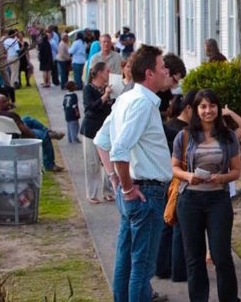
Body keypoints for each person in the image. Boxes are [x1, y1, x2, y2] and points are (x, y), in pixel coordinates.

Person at [93, 44, 173, 302]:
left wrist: (115, 179)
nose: (166, 71)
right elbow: (117, 149)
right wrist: (125, 187)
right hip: (144, 193)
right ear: (149, 73)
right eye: (162, 67)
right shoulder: (140, 103)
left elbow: (100, 141)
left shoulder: (126, 98)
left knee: (126, 262)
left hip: (136, 192)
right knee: (141, 268)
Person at [172, 89, 241, 302]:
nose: (208, 111)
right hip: (189, 201)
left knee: (221, 256)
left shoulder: (228, 136)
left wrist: (220, 179)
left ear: (218, 108)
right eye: (203, 106)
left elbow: (236, 171)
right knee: (194, 258)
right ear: (194, 110)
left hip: (218, 201)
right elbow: (174, 168)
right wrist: (188, 176)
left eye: (212, 106)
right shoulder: (184, 136)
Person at [156, 90, 197, 283]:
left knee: (167, 224)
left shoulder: (168, 126)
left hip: (166, 179)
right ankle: (177, 270)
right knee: (179, 227)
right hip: (177, 182)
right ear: (189, 108)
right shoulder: (182, 132)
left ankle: (163, 266)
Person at [0, 94, 64, 171]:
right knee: (44, 136)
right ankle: (50, 165)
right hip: (20, 135)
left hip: (5, 137)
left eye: (7, 100)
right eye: (4, 102)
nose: (8, 102)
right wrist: (35, 136)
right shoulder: (11, 115)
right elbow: (25, 130)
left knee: (27, 118)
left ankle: (49, 131)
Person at [81, 62, 116, 204]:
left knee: (107, 162)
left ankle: (107, 191)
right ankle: (92, 193)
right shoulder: (88, 89)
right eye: (107, 71)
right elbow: (90, 108)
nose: (109, 74)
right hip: (91, 129)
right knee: (92, 162)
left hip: (105, 129)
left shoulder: (107, 89)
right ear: (100, 73)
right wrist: (104, 97)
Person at [157, 53, 187, 120]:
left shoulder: (166, 92)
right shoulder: (150, 91)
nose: (173, 86)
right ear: (166, 72)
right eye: (174, 81)